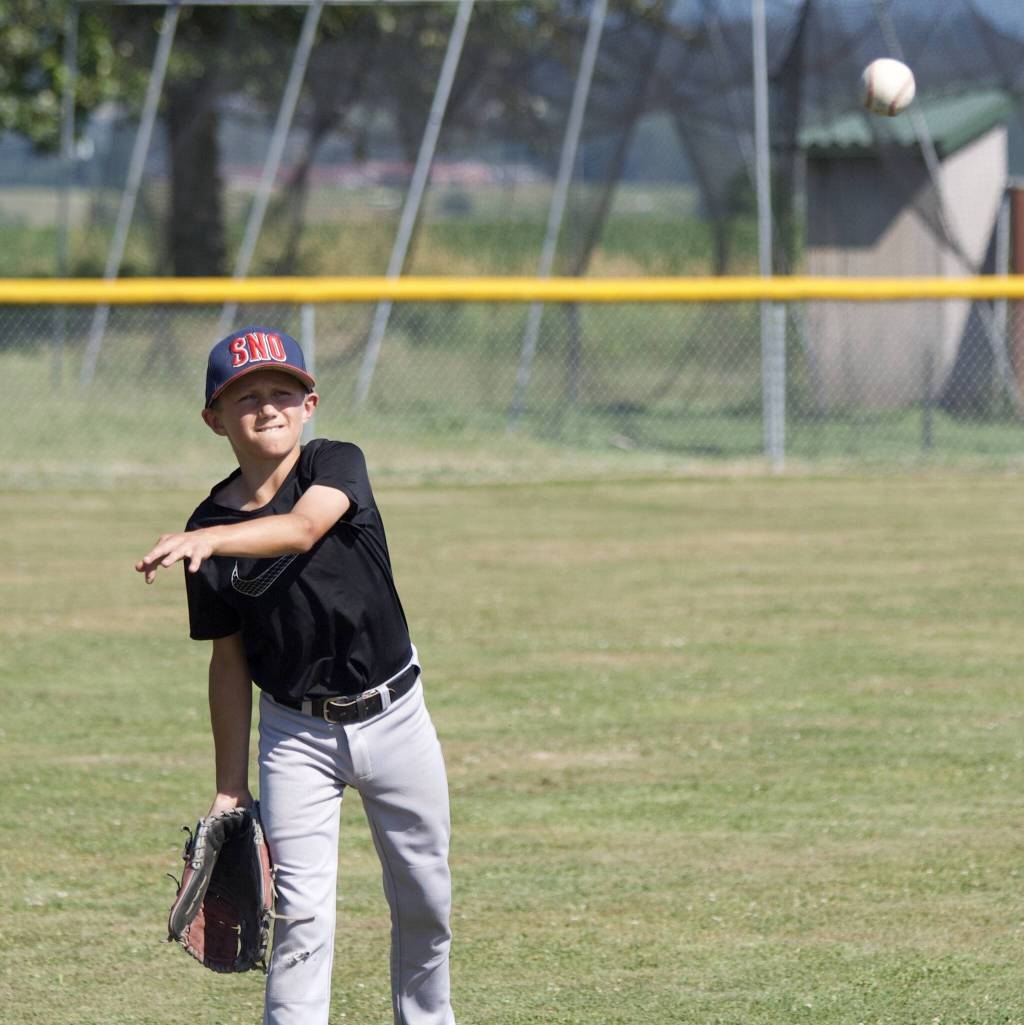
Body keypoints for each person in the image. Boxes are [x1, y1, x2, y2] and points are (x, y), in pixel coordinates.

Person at [136, 327, 454, 1025]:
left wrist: (210, 540)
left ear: (310, 404)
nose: (268, 406)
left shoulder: (335, 463)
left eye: (283, 390)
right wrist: (228, 786)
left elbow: (305, 528)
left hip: (393, 712)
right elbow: (228, 662)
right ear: (215, 419)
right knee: (301, 919)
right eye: (245, 395)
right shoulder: (207, 527)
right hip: (294, 733)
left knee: (426, 901)